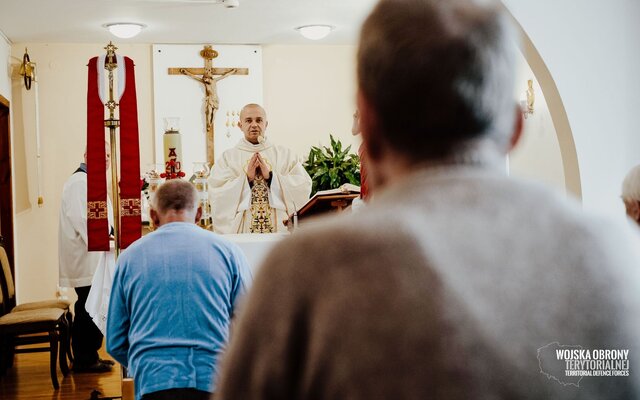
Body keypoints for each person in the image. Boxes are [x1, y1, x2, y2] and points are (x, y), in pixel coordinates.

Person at [215, 1, 640, 399]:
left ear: (370, 127)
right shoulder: (608, 253)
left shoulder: (304, 274)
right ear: (514, 128)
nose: (255, 125)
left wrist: (271, 179)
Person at [106, 179, 252, 400]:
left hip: (153, 381)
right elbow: (248, 323)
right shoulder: (229, 252)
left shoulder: (129, 258)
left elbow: (115, 340)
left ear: (153, 216)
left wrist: (148, 365)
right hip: (213, 378)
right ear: (200, 213)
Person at [208, 103, 312, 233]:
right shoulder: (228, 158)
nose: (254, 125)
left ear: (266, 124)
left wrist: (271, 177)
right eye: (248, 120)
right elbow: (217, 192)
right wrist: (246, 179)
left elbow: (303, 185)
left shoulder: (285, 154)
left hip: (280, 230)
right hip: (243, 232)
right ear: (240, 125)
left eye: (259, 120)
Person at [58, 146, 114, 373]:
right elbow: (84, 219)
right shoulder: (80, 183)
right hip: (86, 256)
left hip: (93, 255)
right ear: (87, 157)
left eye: (109, 156)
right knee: (87, 308)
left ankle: (89, 354)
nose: (107, 160)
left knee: (91, 304)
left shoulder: (90, 181)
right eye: (103, 155)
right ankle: (85, 358)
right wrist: (106, 238)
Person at [180, 67, 237, 136]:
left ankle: (211, 123)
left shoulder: (214, 81)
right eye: (204, 79)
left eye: (206, 78)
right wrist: (186, 72)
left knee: (214, 113)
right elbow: (194, 77)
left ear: (209, 77)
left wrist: (232, 72)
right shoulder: (205, 83)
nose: (205, 80)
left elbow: (224, 76)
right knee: (209, 112)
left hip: (215, 99)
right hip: (210, 99)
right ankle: (208, 125)